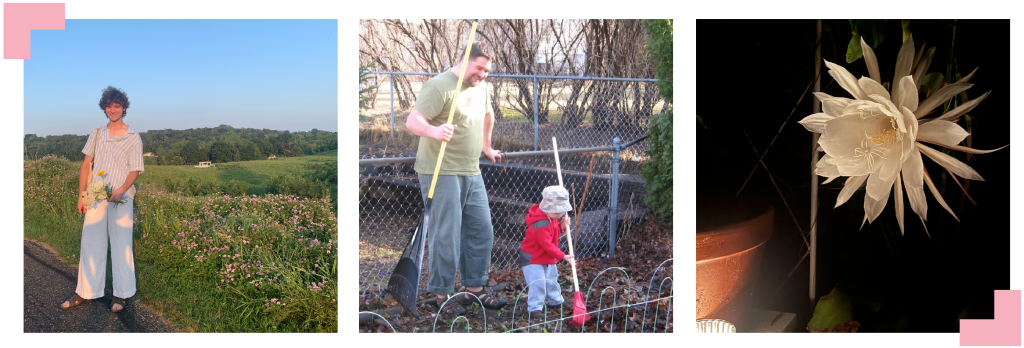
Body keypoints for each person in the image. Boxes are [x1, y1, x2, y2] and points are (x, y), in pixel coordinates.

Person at [405, 41, 506, 315]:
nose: (483, 74)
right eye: (479, 68)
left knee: (481, 229)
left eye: (487, 70)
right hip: (441, 170)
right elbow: (413, 121)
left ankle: (474, 288)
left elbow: (488, 115)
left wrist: (486, 146)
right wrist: (434, 132)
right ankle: (443, 294)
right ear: (464, 59)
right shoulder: (440, 86)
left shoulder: (481, 87)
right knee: (446, 234)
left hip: (471, 169)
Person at [61, 86, 145, 313]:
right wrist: (81, 196)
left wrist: (121, 189)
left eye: (117, 105)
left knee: (121, 245)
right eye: (109, 106)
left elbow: (135, 169)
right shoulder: (97, 133)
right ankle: (85, 292)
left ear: (124, 108)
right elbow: (86, 164)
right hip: (95, 196)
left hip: (121, 198)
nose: (113, 109)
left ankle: (122, 294)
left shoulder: (133, 137)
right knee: (90, 242)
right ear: (104, 108)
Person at [519, 186, 574, 314]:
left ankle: (555, 300)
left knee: (551, 279)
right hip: (533, 259)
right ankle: (535, 308)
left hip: (546, 256)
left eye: (561, 211)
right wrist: (563, 256)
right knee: (538, 283)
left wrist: (561, 226)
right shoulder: (541, 223)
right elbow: (546, 244)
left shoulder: (551, 217)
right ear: (547, 208)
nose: (560, 215)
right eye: (557, 212)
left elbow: (553, 232)